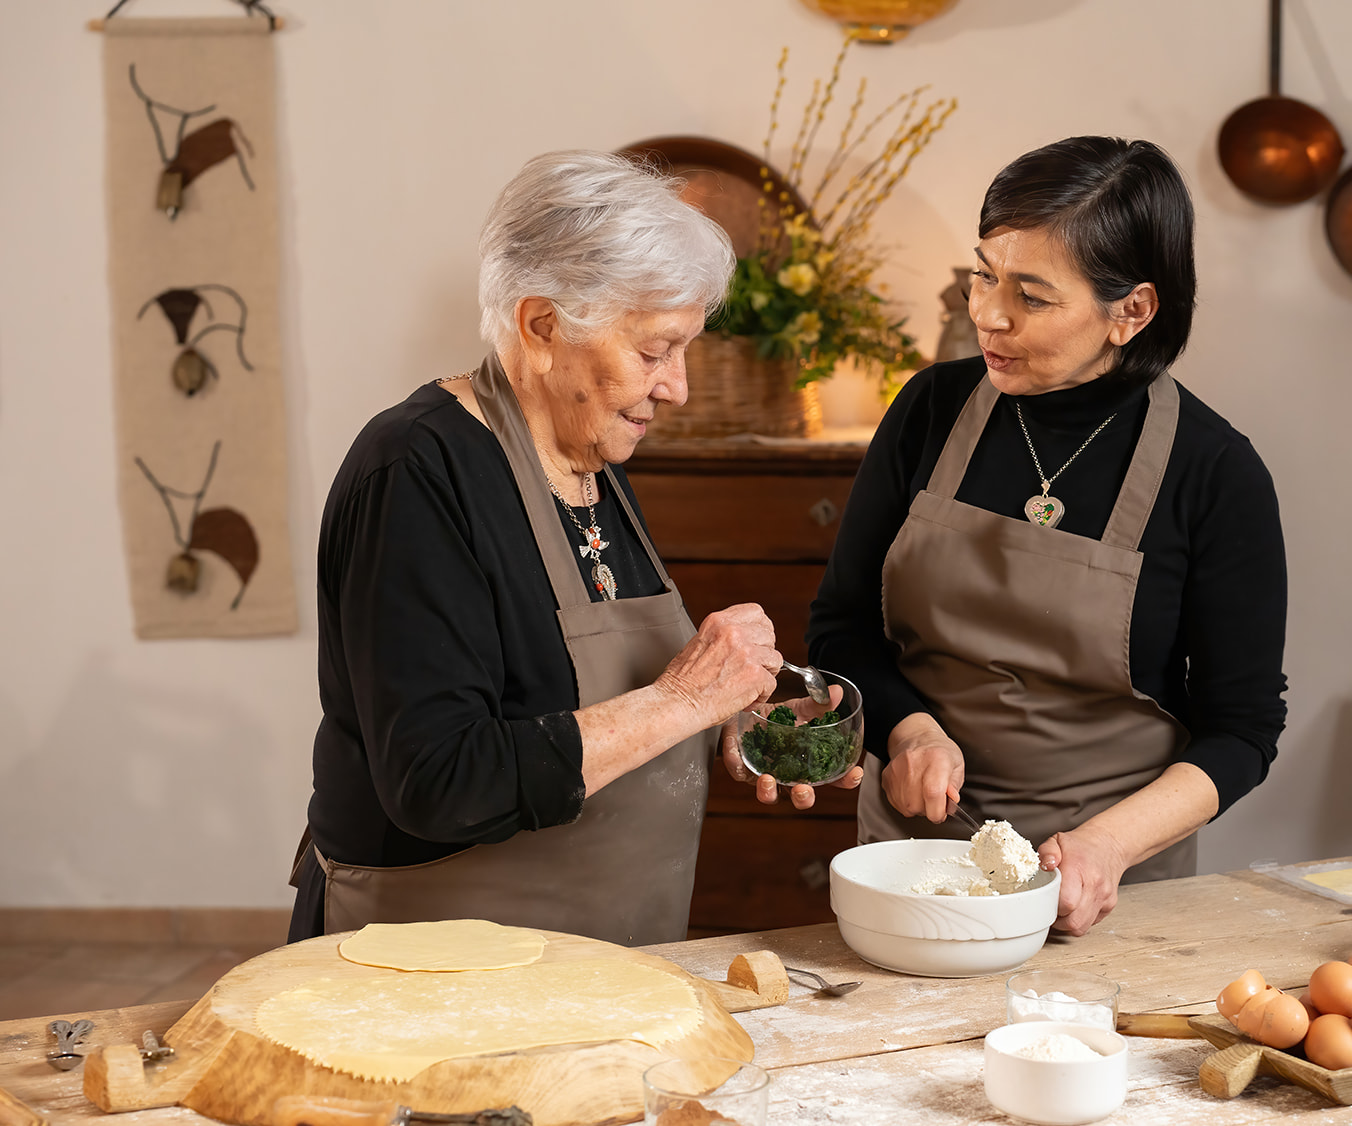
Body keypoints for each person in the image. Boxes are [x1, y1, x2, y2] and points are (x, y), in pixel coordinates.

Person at [289, 151, 860, 946]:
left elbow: (583, 705)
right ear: (543, 327)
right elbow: (439, 780)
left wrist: (731, 716)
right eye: (655, 351)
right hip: (434, 968)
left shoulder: (590, 462)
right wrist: (681, 703)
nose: (678, 387)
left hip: (599, 962)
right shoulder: (415, 472)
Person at [806, 137, 1288, 936]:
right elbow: (842, 623)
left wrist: (1105, 846)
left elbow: (1242, 730)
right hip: (917, 860)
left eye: (1032, 295)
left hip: (1107, 883)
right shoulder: (930, 410)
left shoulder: (1215, 472)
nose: (990, 314)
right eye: (984, 276)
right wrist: (909, 730)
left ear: (1130, 311)